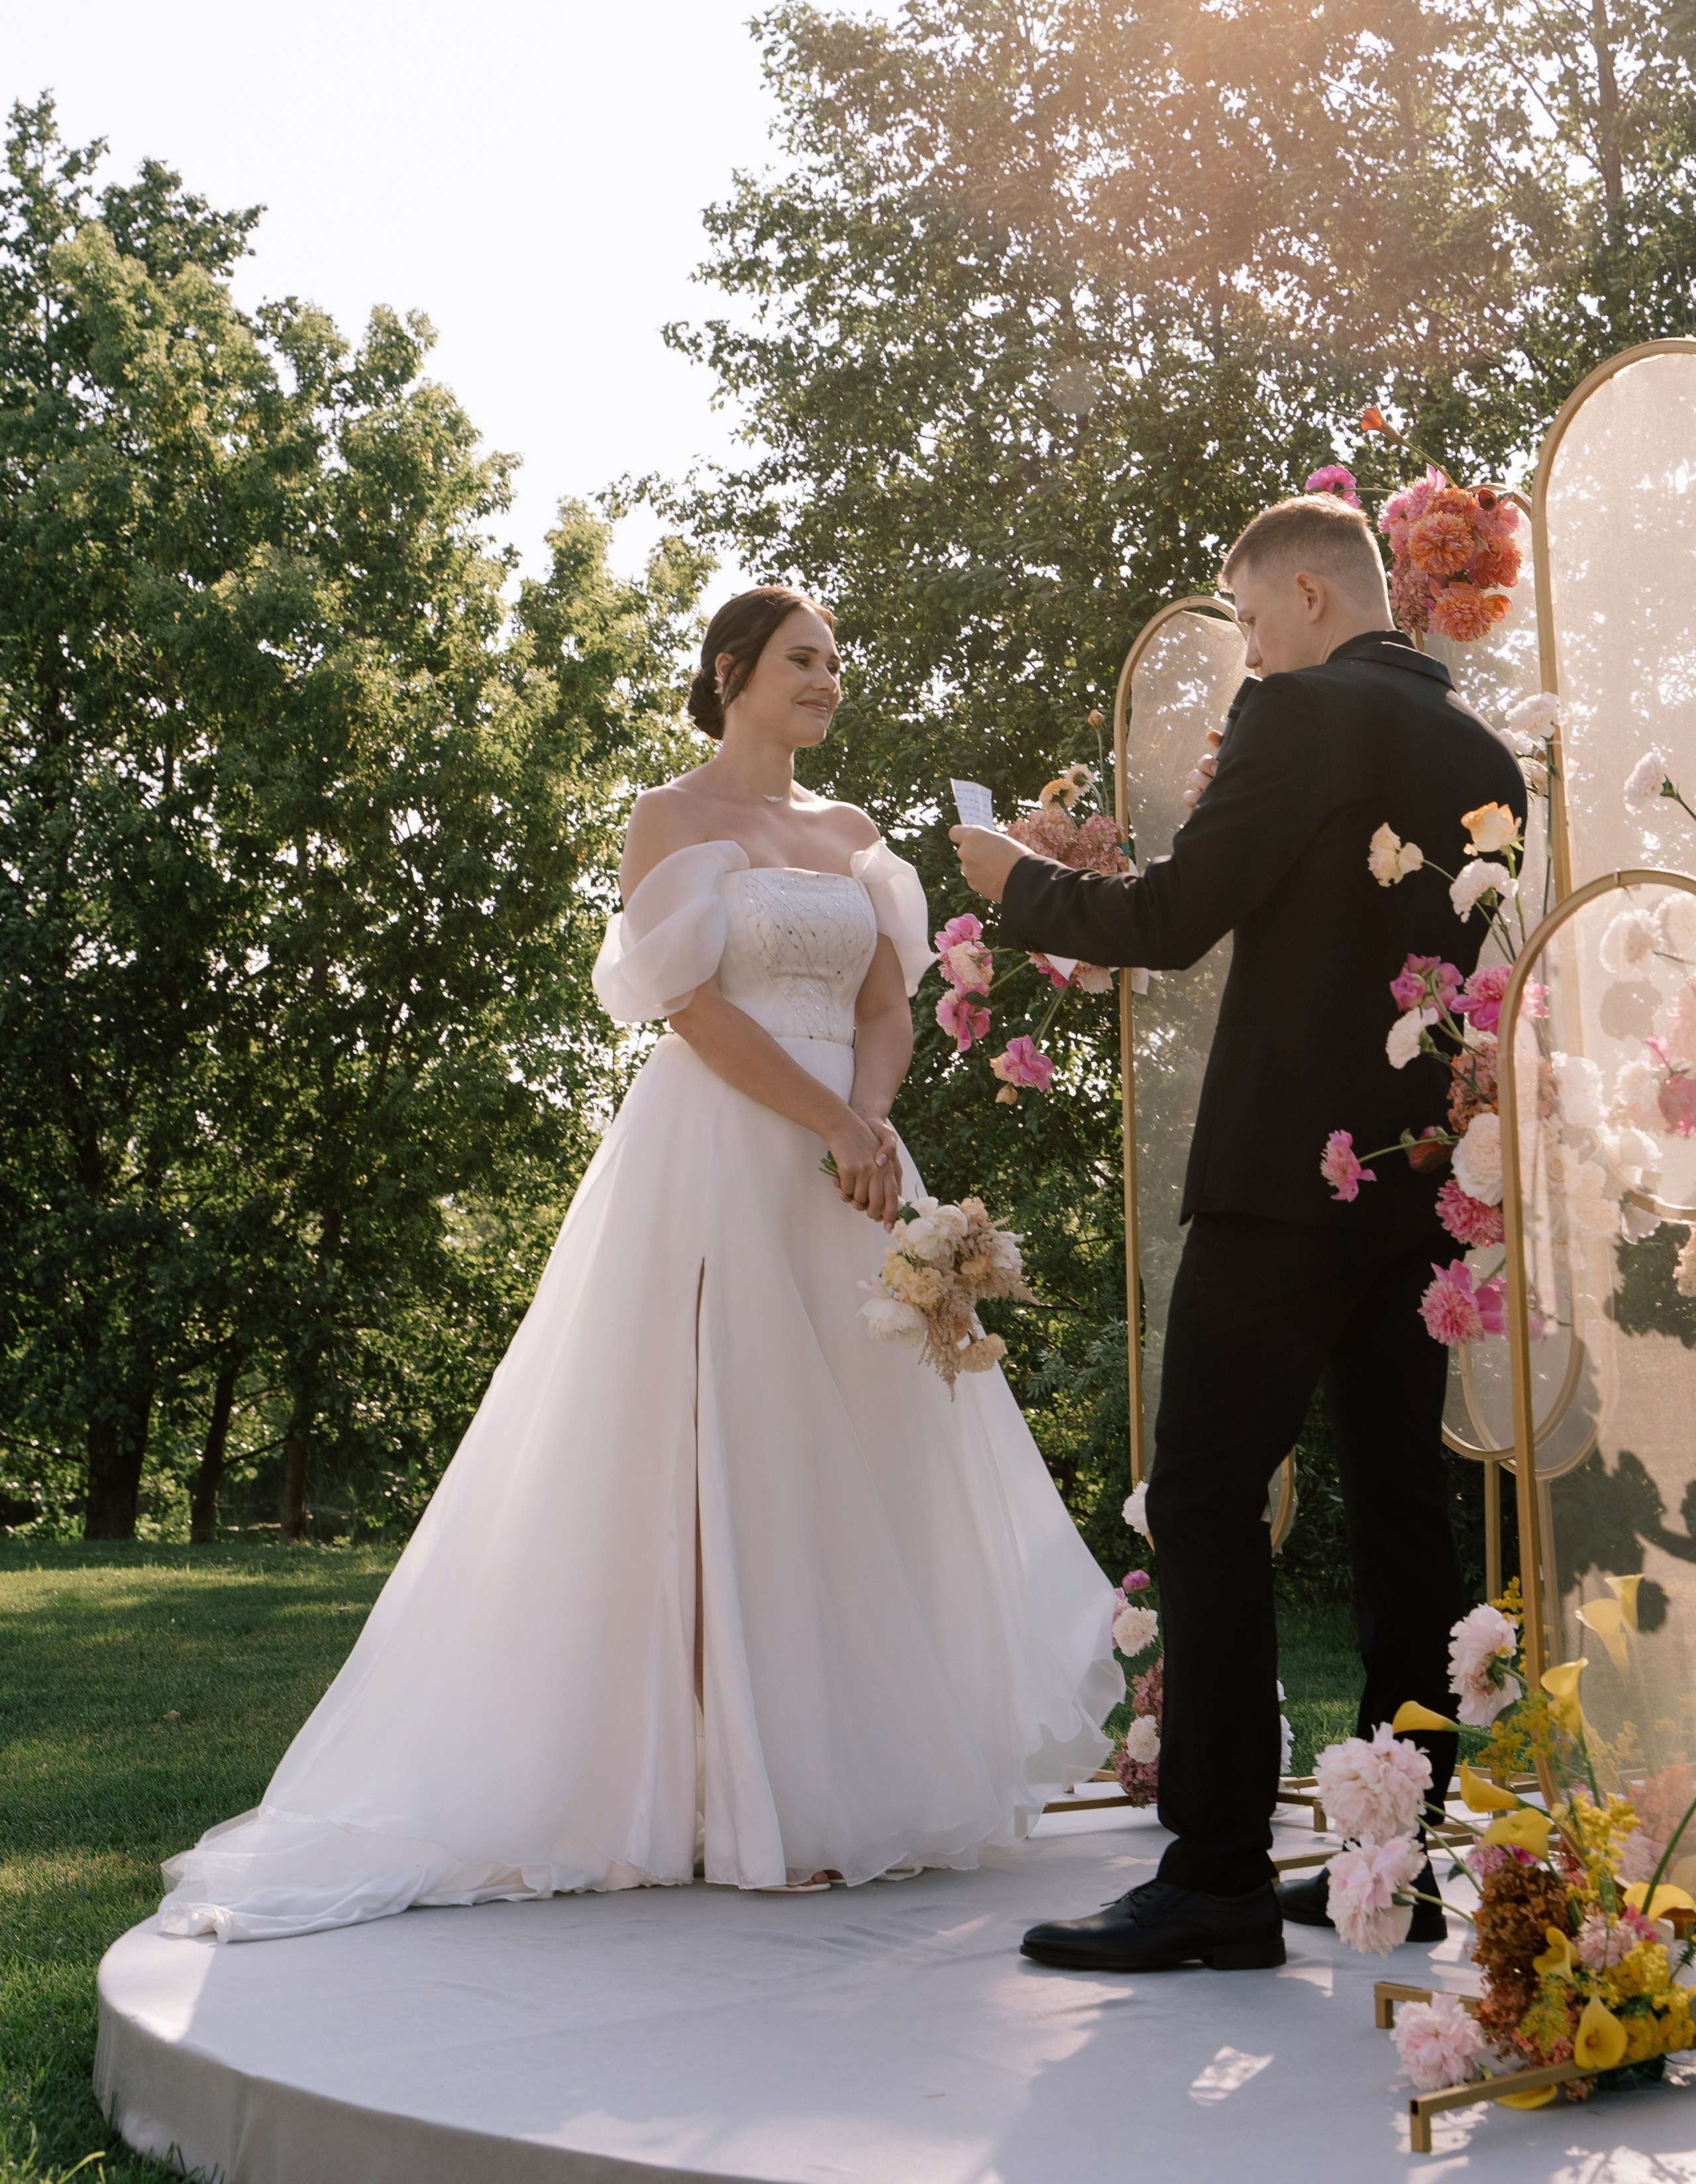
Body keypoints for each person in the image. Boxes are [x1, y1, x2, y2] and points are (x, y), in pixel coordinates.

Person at [160, 586, 1118, 1940]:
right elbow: (689, 1009)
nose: (824, 683)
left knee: (847, 1450)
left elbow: (885, 1003)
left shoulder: (852, 836)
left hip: (848, 1168)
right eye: (800, 661)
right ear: (730, 671)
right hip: (727, 1149)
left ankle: (836, 1784)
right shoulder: (669, 818)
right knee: (719, 1438)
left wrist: (870, 1129)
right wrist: (827, 1116)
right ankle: (719, 1795)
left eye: (835, 665)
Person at [951, 494, 1527, 1975]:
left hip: (1283, 1182)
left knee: (1202, 1496)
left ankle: (1210, 1875)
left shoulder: (1298, 710)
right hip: (1415, 1187)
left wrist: (1015, 885)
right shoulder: (1479, 752)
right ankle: (1388, 1866)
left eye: (1250, 619)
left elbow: (1172, 916)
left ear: (1307, 600)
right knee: (1403, 1512)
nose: (1244, 655)